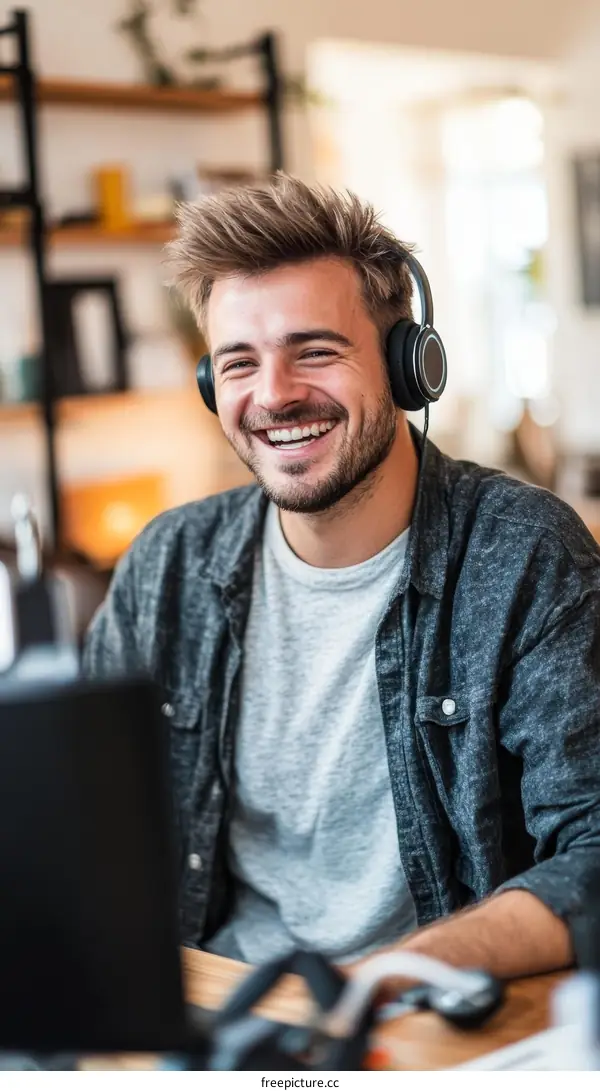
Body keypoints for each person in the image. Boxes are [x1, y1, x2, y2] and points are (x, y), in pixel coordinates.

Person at [84, 174, 600, 985]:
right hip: (216, 1010)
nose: (275, 395)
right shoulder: (168, 563)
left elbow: (593, 853)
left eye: (314, 350)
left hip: (416, 1019)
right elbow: (82, 821)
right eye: (239, 362)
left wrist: (380, 983)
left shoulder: (524, 554)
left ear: (408, 366)